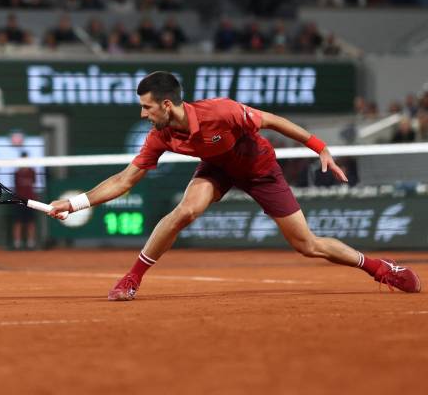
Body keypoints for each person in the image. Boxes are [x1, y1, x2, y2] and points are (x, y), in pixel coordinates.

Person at [47, 71, 421, 300]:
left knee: (308, 246)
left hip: (259, 168)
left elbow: (272, 120)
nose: (143, 114)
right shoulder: (160, 136)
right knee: (184, 212)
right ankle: (132, 279)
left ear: (166, 104)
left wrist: (319, 147)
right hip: (219, 168)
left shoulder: (221, 112)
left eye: (147, 108)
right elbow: (124, 180)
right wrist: (77, 203)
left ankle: (379, 268)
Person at [12, 152, 37, 249]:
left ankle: (30, 243)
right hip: (19, 202)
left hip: (30, 201)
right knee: (18, 222)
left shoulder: (32, 172)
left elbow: (33, 184)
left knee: (31, 222)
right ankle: (17, 244)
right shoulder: (17, 173)